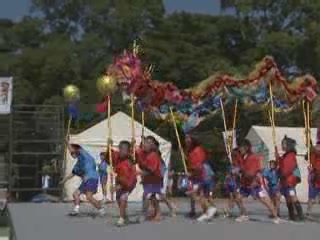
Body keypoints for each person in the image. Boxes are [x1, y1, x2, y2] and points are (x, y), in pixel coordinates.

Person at [237, 139, 280, 223]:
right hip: (246, 184)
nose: (240, 149)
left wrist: (241, 170)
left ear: (246, 147)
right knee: (238, 198)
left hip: (254, 184)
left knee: (265, 200)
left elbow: (251, 173)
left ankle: (276, 216)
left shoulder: (252, 158)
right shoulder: (244, 158)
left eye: (241, 147)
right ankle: (244, 214)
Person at [60, 143, 105, 216]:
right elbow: (73, 173)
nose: (71, 154)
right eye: (70, 153)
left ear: (76, 149)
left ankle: (101, 210)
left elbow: (75, 148)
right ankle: (76, 210)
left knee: (89, 197)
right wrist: (64, 180)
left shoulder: (84, 154)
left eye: (72, 152)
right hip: (86, 180)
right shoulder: (78, 163)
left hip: (92, 178)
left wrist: (67, 144)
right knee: (75, 194)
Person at [185, 135, 216, 222]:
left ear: (193, 140)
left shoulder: (197, 150)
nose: (186, 140)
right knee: (198, 195)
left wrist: (191, 172)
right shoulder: (191, 151)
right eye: (186, 138)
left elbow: (198, 166)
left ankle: (210, 209)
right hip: (196, 176)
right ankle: (207, 212)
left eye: (188, 138)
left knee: (195, 194)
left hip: (199, 176)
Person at [276, 136, 303, 221]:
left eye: (284, 144)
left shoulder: (290, 155)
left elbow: (288, 168)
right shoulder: (286, 156)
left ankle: (299, 215)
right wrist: (278, 158)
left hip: (289, 180)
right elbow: (282, 164)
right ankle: (292, 215)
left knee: (292, 196)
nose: (282, 145)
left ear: (288, 145)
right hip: (285, 180)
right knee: (288, 198)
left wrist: (282, 174)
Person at [136, 136, 163, 222]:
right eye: (145, 142)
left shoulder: (153, 155)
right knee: (152, 197)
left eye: (148, 143)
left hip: (155, 179)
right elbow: (137, 153)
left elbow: (151, 170)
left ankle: (148, 214)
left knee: (147, 196)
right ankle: (156, 213)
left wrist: (139, 173)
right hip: (148, 179)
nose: (145, 144)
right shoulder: (144, 153)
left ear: (152, 145)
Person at [113, 141, 137, 226]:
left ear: (128, 151)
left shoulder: (129, 162)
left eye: (124, 150)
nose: (121, 151)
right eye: (120, 149)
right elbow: (110, 155)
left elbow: (130, 177)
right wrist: (109, 145)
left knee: (123, 198)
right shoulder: (118, 157)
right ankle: (124, 216)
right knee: (118, 199)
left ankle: (121, 218)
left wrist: (121, 186)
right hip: (119, 180)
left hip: (129, 182)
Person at [154, 139, 177, 217]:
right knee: (151, 195)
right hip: (154, 177)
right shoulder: (151, 154)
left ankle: (172, 208)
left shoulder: (157, 156)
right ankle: (156, 211)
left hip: (160, 177)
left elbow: (163, 169)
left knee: (162, 195)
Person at [223, 149, 242, 217]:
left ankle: (242, 212)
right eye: (233, 156)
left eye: (235, 155)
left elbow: (239, 174)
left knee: (236, 198)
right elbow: (227, 175)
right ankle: (227, 210)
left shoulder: (239, 164)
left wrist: (235, 173)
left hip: (235, 184)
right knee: (231, 198)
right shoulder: (231, 165)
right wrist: (225, 182)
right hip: (230, 184)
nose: (233, 157)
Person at [306, 142, 320, 219]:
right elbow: (311, 162)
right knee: (311, 197)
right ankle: (308, 212)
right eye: (317, 146)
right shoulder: (313, 153)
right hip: (315, 177)